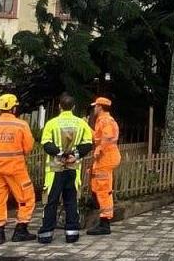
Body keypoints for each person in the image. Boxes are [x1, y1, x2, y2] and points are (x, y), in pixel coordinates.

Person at [37, 94, 93, 244]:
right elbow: (88, 143)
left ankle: (46, 234)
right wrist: (76, 155)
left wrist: (60, 154)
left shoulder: (52, 123)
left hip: (55, 168)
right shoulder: (81, 123)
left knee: (51, 201)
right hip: (73, 167)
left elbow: (46, 144)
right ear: (73, 107)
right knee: (71, 200)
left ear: (59, 106)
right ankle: (72, 233)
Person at [0, 94, 36, 245]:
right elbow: (28, 147)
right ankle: (20, 229)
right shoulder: (21, 125)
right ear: (14, 108)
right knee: (26, 198)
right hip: (16, 168)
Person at [86, 97, 121, 235]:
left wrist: (99, 149)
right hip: (106, 158)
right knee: (100, 187)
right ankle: (100, 212)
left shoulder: (105, 120)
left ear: (100, 107)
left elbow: (106, 138)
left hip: (105, 158)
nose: (94, 109)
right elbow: (99, 137)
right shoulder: (104, 120)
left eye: (95, 106)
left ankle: (104, 223)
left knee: (103, 190)